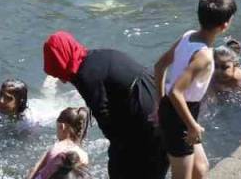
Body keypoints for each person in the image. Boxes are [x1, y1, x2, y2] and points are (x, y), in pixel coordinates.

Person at [43, 31, 165, 179]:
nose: (62, 80)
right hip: (160, 102)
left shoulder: (85, 75)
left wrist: (118, 148)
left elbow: (103, 115)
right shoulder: (97, 56)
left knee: (121, 168)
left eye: (59, 71)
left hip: (144, 114)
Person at [154, 0, 236, 179]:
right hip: (179, 115)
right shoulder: (204, 56)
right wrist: (192, 126)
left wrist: (160, 104)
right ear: (225, 25)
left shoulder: (188, 36)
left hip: (178, 110)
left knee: (200, 169)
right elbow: (176, 92)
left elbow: (159, 66)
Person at [28, 107, 91, 179]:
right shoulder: (84, 155)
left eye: (57, 127)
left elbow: (34, 171)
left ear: (62, 126)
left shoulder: (56, 148)